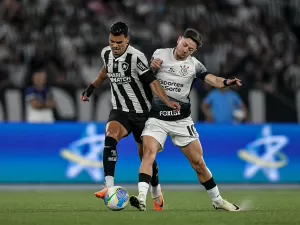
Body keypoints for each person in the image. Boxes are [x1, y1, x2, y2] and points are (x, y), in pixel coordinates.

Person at [129, 28, 242, 212]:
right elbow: (146, 78)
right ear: (179, 39)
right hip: (157, 118)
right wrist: (153, 67)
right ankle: (141, 197)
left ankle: (217, 200)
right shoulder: (160, 53)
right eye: (184, 45)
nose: (185, 50)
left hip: (182, 121)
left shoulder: (194, 65)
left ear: (194, 51)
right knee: (148, 154)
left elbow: (211, 79)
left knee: (198, 164)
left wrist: (227, 82)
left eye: (190, 49)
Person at [81, 21, 180, 211]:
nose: (115, 45)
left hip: (143, 114)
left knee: (145, 156)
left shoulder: (137, 57)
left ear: (127, 40)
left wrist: (167, 102)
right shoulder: (106, 53)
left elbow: (151, 82)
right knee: (110, 135)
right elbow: (105, 71)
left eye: (119, 42)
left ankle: (156, 191)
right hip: (120, 110)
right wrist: (91, 88)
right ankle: (108, 187)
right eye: (112, 41)